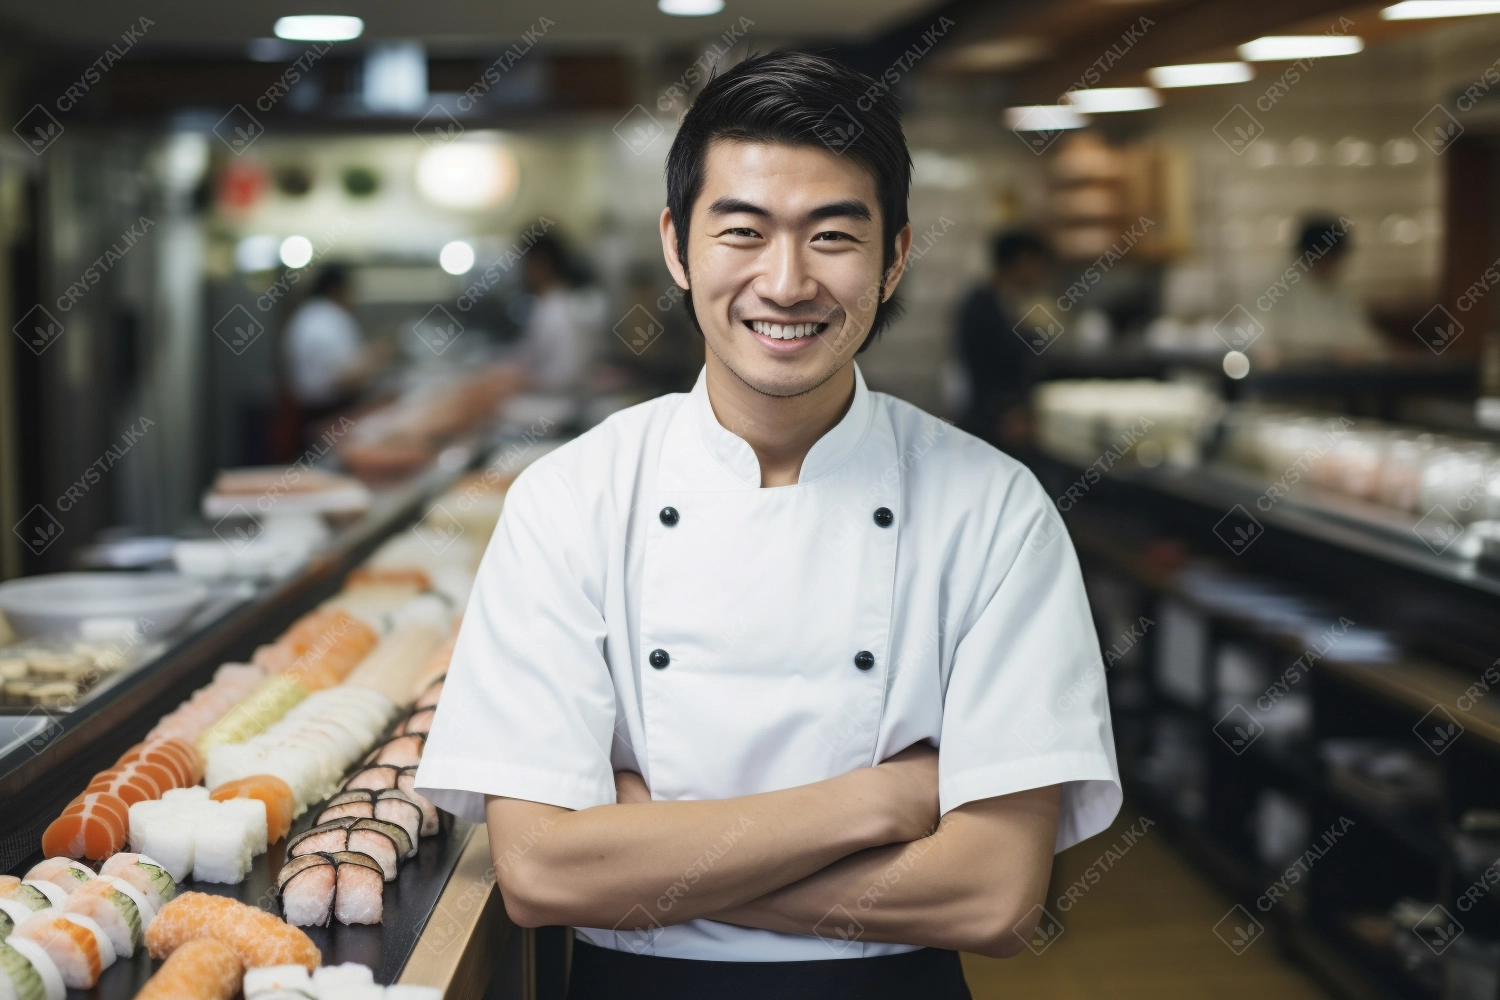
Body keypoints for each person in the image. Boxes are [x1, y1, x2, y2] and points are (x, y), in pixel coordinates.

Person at [415, 51, 1120, 1000]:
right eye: (742, 231)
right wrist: (883, 799)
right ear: (678, 245)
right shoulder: (570, 501)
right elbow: (541, 874)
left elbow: (991, 898)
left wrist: (650, 850)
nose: (786, 284)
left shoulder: (994, 512)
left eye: (832, 236)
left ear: (896, 255)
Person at [952, 229, 1052, 445]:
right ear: (1022, 261)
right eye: (1037, 264)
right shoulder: (982, 304)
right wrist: (1006, 411)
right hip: (994, 423)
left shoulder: (1003, 299)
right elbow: (988, 364)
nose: (1040, 273)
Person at [1253, 217, 1389, 365]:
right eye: (1325, 257)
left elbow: (1362, 335)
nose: (1332, 265)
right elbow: (1265, 338)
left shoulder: (1340, 290)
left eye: (1335, 258)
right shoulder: (1280, 285)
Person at [281, 265, 389, 431]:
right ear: (337, 289)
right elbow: (345, 380)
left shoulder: (304, 315)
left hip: (306, 410)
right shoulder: (331, 318)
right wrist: (378, 358)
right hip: (330, 412)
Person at [510, 233, 606, 393]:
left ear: (540, 263)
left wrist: (520, 380)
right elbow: (528, 354)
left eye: (524, 263)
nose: (521, 272)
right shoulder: (545, 305)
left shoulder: (560, 311)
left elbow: (568, 374)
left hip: (558, 401)